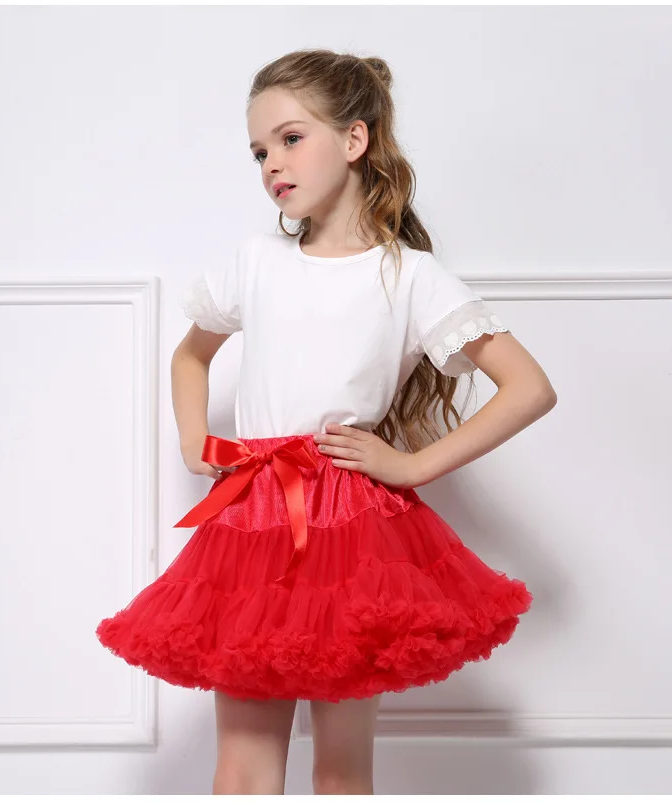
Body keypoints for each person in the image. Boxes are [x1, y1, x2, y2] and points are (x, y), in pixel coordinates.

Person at [96, 49, 557, 795]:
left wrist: (411, 465)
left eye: (290, 138)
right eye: (258, 152)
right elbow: (190, 357)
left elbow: (529, 387)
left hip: (353, 527)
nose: (272, 164)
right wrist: (192, 437)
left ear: (354, 139)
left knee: (343, 770)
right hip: (254, 517)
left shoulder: (410, 275)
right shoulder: (255, 261)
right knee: (242, 767)